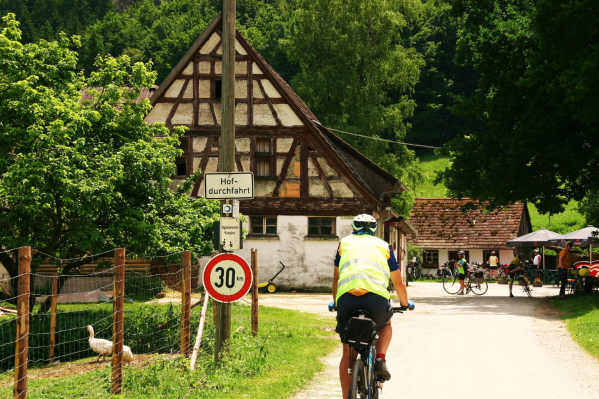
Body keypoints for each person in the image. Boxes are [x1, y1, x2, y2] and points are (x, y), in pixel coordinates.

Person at [332, 214, 409, 399]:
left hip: (347, 299)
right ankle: (380, 359)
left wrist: (336, 303)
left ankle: (346, 397)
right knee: (386, 325)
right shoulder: (383, 246)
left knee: (347, 353)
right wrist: (405, 304)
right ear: (374, 229)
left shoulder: (344, 244)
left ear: (353, 227)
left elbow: (336, 277)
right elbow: (398, 282)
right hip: (375, 299)